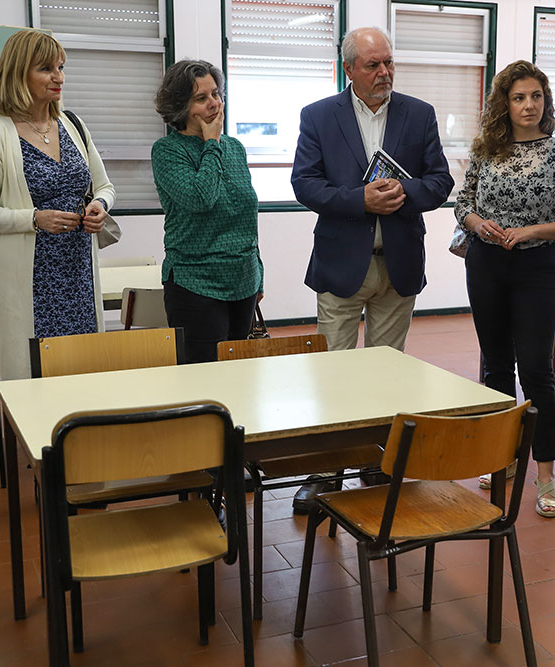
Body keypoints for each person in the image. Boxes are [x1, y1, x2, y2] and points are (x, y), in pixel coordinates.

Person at [289, 27, 453, 512]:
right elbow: (305, 185)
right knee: (333, 374)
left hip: (398, 263)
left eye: (388, 63)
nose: (384, 73)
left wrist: (405, 195)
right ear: (349, 69)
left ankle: (377, 463)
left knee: (387, 374)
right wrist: (359, 199)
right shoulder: (319, 116)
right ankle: (325, 472)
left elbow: (440, 180)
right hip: (342, 265)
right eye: (372, 65)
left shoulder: (418, 114)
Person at [454, 60, 555, 518]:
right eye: (518, 97)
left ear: (545, 101)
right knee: (495, 366)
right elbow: (463, 204)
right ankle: (501, 460)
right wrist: (477, 223)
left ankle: (546, 474)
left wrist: (531, 231)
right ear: (504, 105)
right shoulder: (486, 149)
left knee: (536, 370)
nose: (529, 105)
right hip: (486, 262)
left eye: (535, 96)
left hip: (536, 266)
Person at [0, 30, 115, 381]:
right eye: (46, 68)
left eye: (61, 67)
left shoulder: (72, 125)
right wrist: (34, 219)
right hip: (33, 282)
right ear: (19, 73)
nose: (59, 77)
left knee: (83, 373)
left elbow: (105, 186)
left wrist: (99, 205)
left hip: (79, 276)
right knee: (37, 378)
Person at [152, 60, 263, 364]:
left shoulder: (236, 148)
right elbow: (202, 198)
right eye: (201, 99)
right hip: (195, 284)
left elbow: (246, 215)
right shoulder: (167, 151)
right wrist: (211, 143)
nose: (214, 104)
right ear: (180, 107)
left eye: (216, 94)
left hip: (243, 281)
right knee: (203, 381)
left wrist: (259, 275)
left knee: (239, 377)